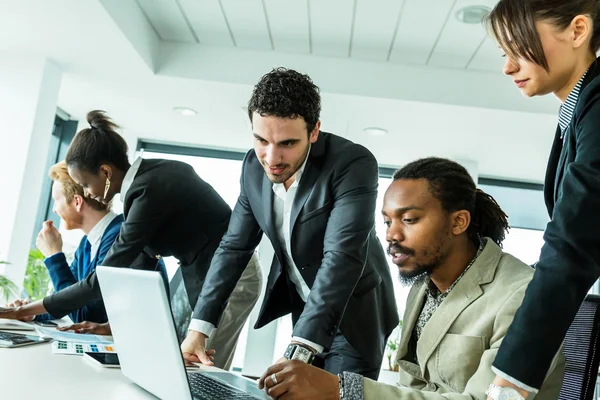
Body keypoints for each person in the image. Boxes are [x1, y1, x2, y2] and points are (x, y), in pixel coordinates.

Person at [258, 157, 565, 400]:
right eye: (388, 221)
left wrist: (342, 390)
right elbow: (419, 387)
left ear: (459, 221)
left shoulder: (524, 295)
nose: (392, 234)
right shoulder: (423, 287)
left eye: (409, 219)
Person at [181, 67, 399, 379]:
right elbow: (233, 248)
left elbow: (342, 257)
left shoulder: (353, 164)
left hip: (355, 316)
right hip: (305, 308)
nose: (271, 157)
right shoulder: (252, 168)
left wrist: (300, 350)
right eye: (260, 139)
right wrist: (198, 330)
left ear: (314, 131)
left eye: (287, 143)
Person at [0, 110, 262, 370]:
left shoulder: (148, 189)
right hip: (204, 271)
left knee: (202, 365)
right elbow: (139, 265)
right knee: (187, 363)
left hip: (231, 275)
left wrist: (22, 311)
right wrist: (110, 326)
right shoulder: (145, 184)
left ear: (105, 171)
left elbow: (102, 277)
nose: (88, 192)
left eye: (86, 184)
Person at [483, 1, 600, 398]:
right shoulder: (578, 114)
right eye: (505, 53)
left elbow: (572, 241)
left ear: (578, 31)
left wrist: (512, 379)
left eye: (519, 48)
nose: (508, 67)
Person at [9, 160, 123, 324]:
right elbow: (68, 299)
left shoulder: (119, 237)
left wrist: (54, 255)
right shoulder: (87, 243)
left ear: (77, 202)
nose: (55, 209)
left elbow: (85, 316)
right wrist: (32, 313)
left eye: (57, 200)